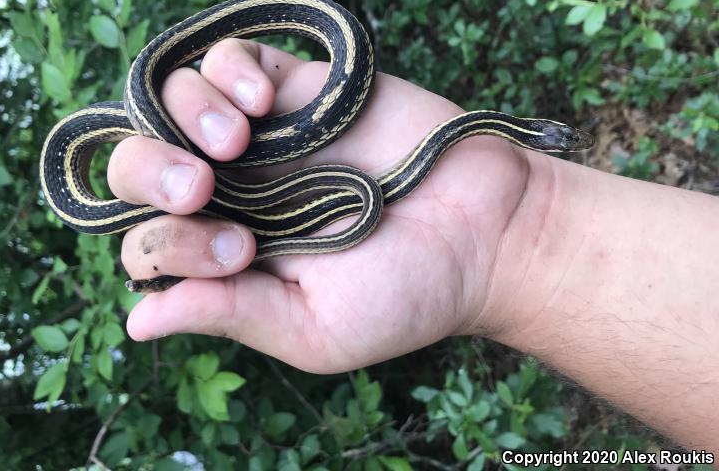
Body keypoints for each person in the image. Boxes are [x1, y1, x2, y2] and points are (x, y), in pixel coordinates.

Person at [107, 38, 719, 452]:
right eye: (562, 140)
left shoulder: (460, 155)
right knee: (193, 176)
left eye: (560, 142)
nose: (567, 143)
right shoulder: (424, 173)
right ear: (535, 137)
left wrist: (528, 230)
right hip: (239, 163)